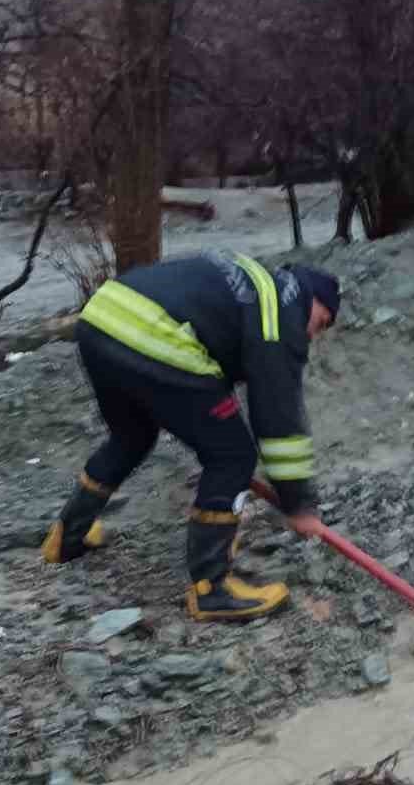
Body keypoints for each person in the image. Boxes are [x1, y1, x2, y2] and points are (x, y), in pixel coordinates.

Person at [42, 250, 339, 620]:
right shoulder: (282, 313)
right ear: (312, 298)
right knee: (232, 455)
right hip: (153, 335)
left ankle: (66, 537)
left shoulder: (258, 286)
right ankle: (211, 589)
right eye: (321, 322)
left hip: (102, 319)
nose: (313, 335)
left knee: (131, 436)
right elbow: (278, 416)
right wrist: (299, 505)